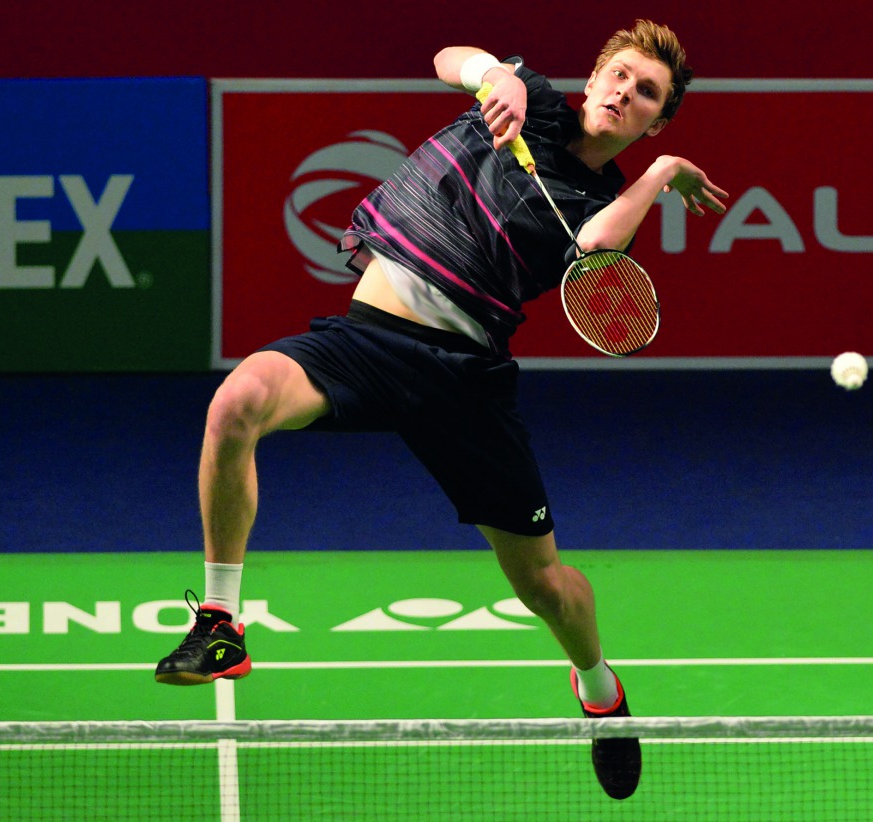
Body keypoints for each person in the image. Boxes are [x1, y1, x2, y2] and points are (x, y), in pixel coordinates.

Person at [154, 19, 728, 800]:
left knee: (543, 585)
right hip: (369, 338)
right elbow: (450, 60)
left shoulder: (598, 198)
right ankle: (221, 624)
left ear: (655, 121)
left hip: (463, 378)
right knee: (236, 404)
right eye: (620, 76)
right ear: (593, 80)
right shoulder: (525, 95)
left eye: (647, 96)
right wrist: (498, 75)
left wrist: (659, 173)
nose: (626, 93)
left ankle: (600, 689)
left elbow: (594, 248)